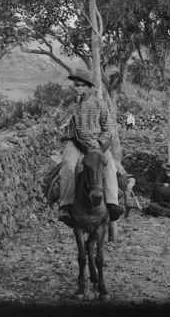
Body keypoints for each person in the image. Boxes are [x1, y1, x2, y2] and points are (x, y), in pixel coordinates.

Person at [55, 68, 124, 225]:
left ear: (89, 87)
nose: (78, 88)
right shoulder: (69, 103)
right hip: (75, 143)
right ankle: (65, 206)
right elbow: (59, 123)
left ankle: (112, 204)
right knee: (69, 166)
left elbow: (109, 129)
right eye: (76, 85)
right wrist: (73, 106)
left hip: (97, 145)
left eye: (81, 85)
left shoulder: (100, 104)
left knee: (109, 166)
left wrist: (99, 142)